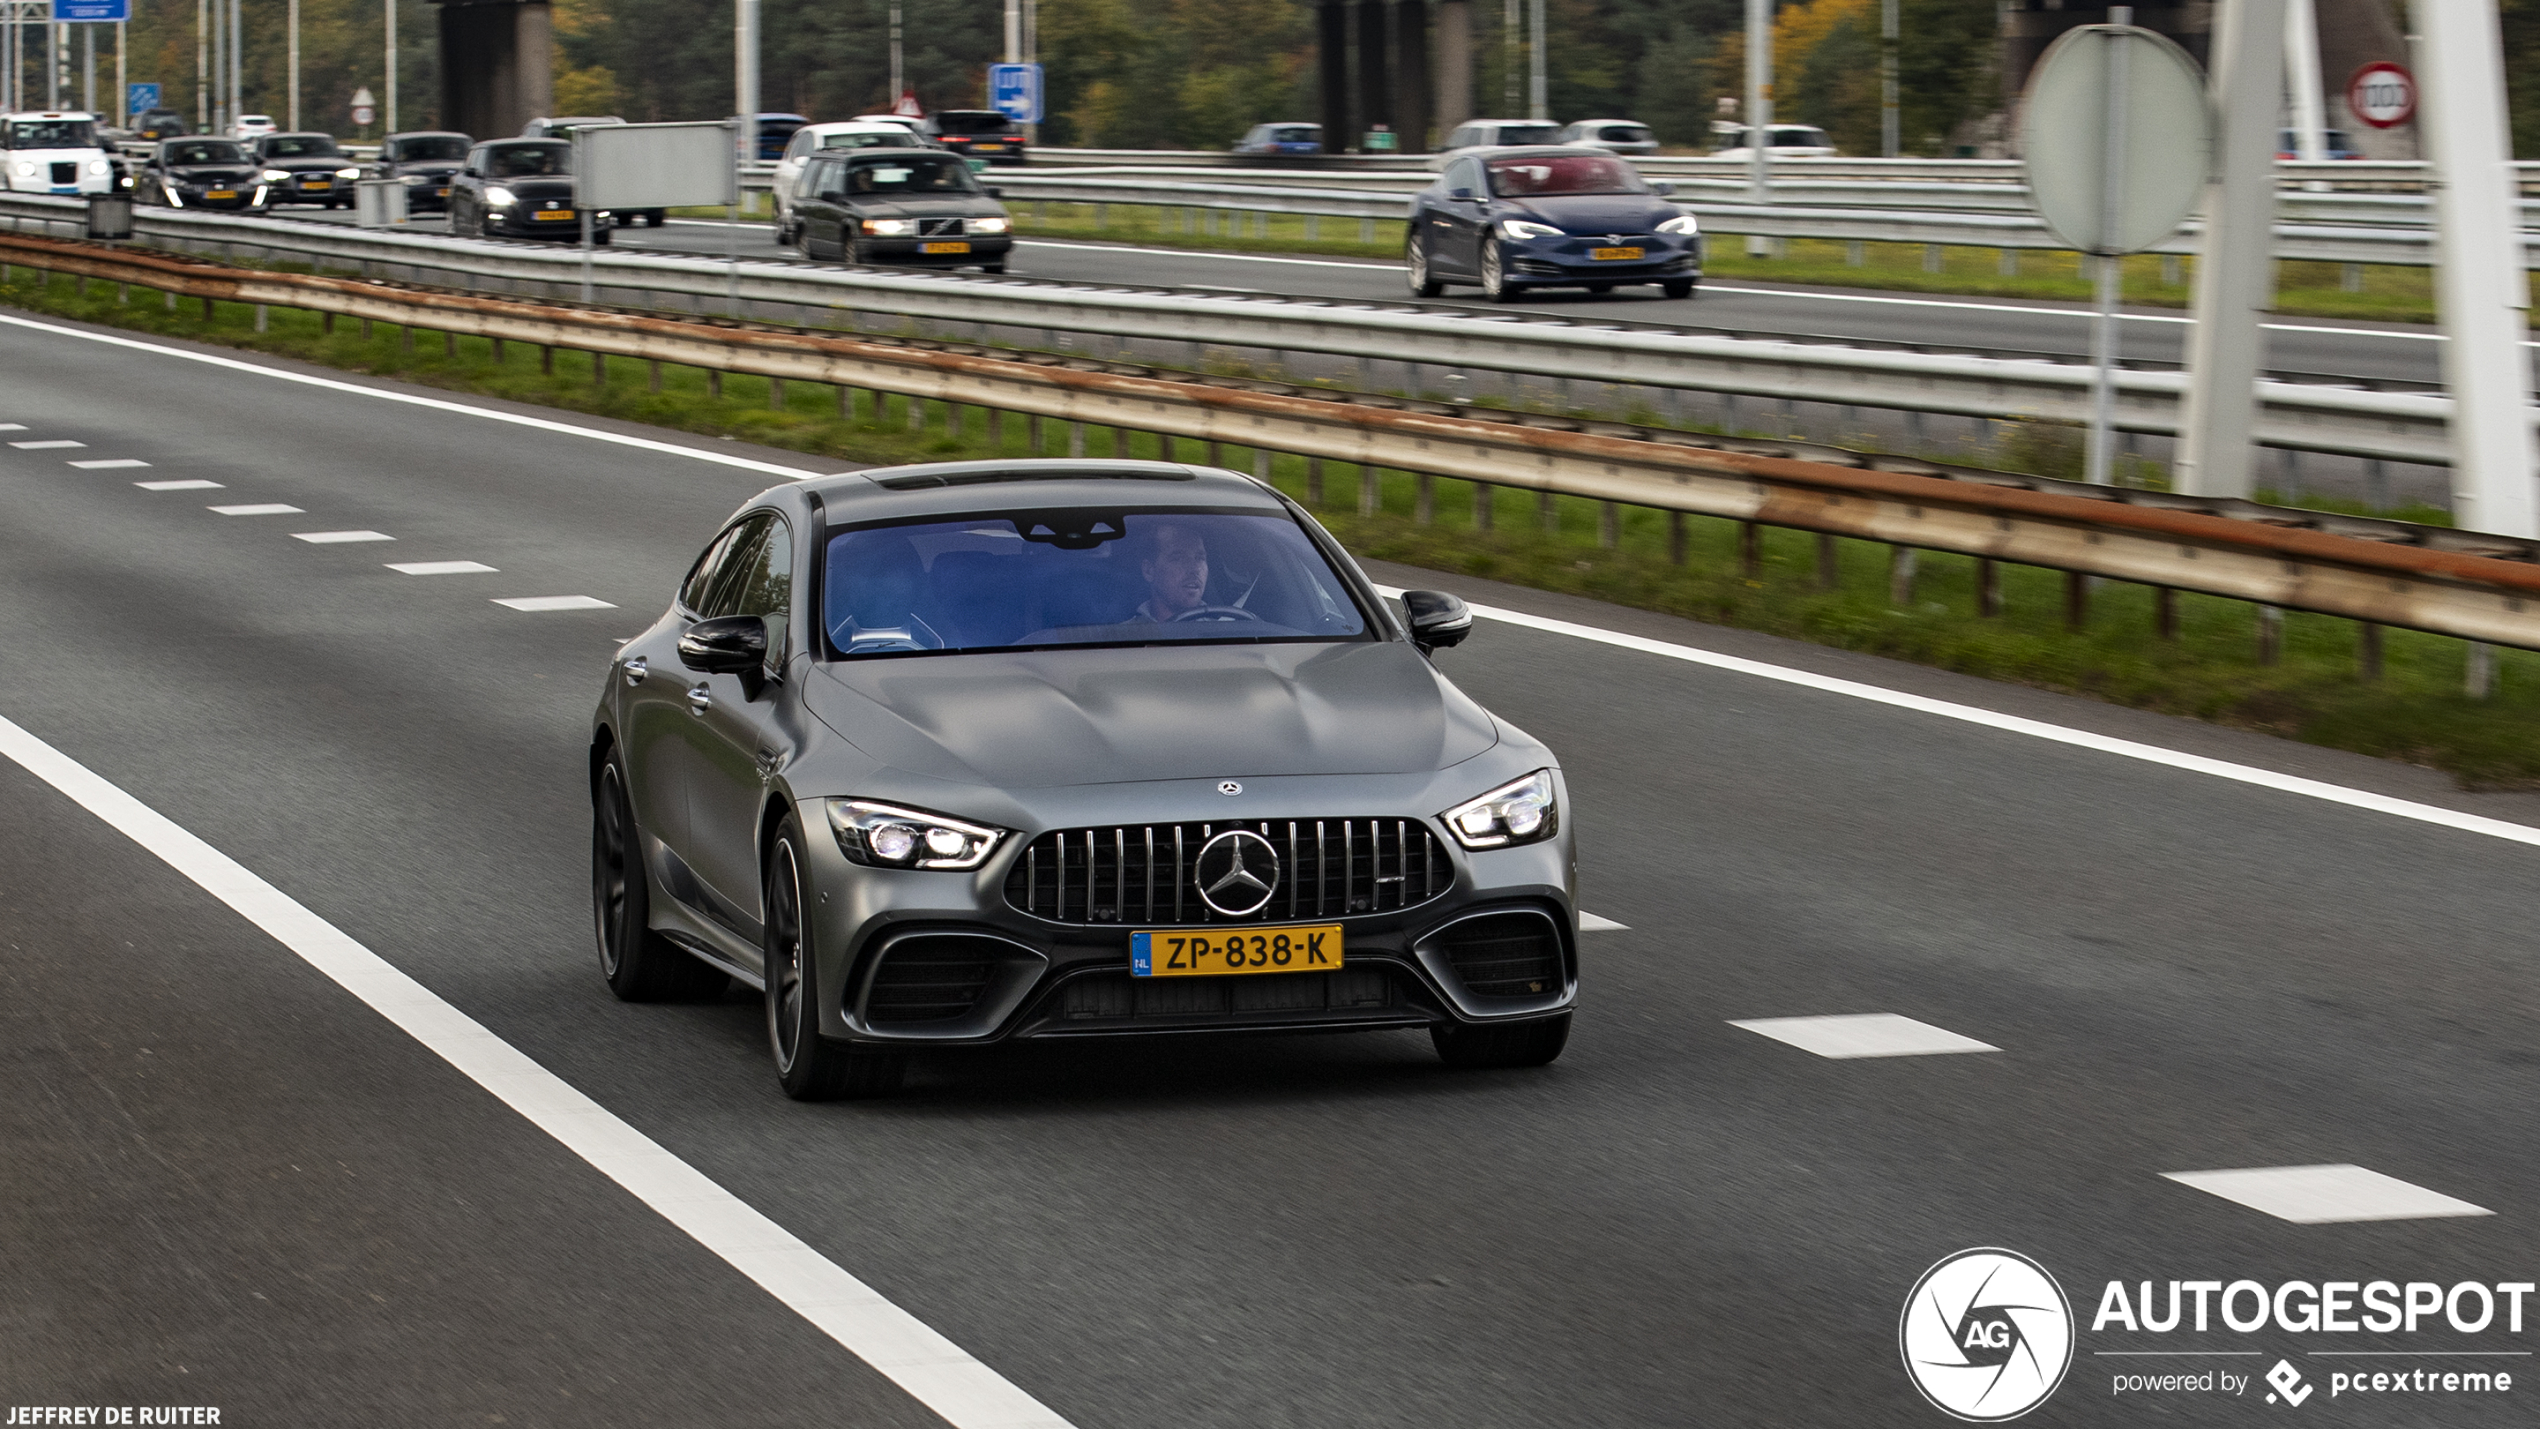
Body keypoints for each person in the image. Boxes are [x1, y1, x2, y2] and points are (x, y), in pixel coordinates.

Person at [1130, 521, 1210, 622]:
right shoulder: (1124, 635)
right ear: (1149, 571)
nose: (1195, 569)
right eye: (1178, 558)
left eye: (1199, 558)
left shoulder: (1224, 629)